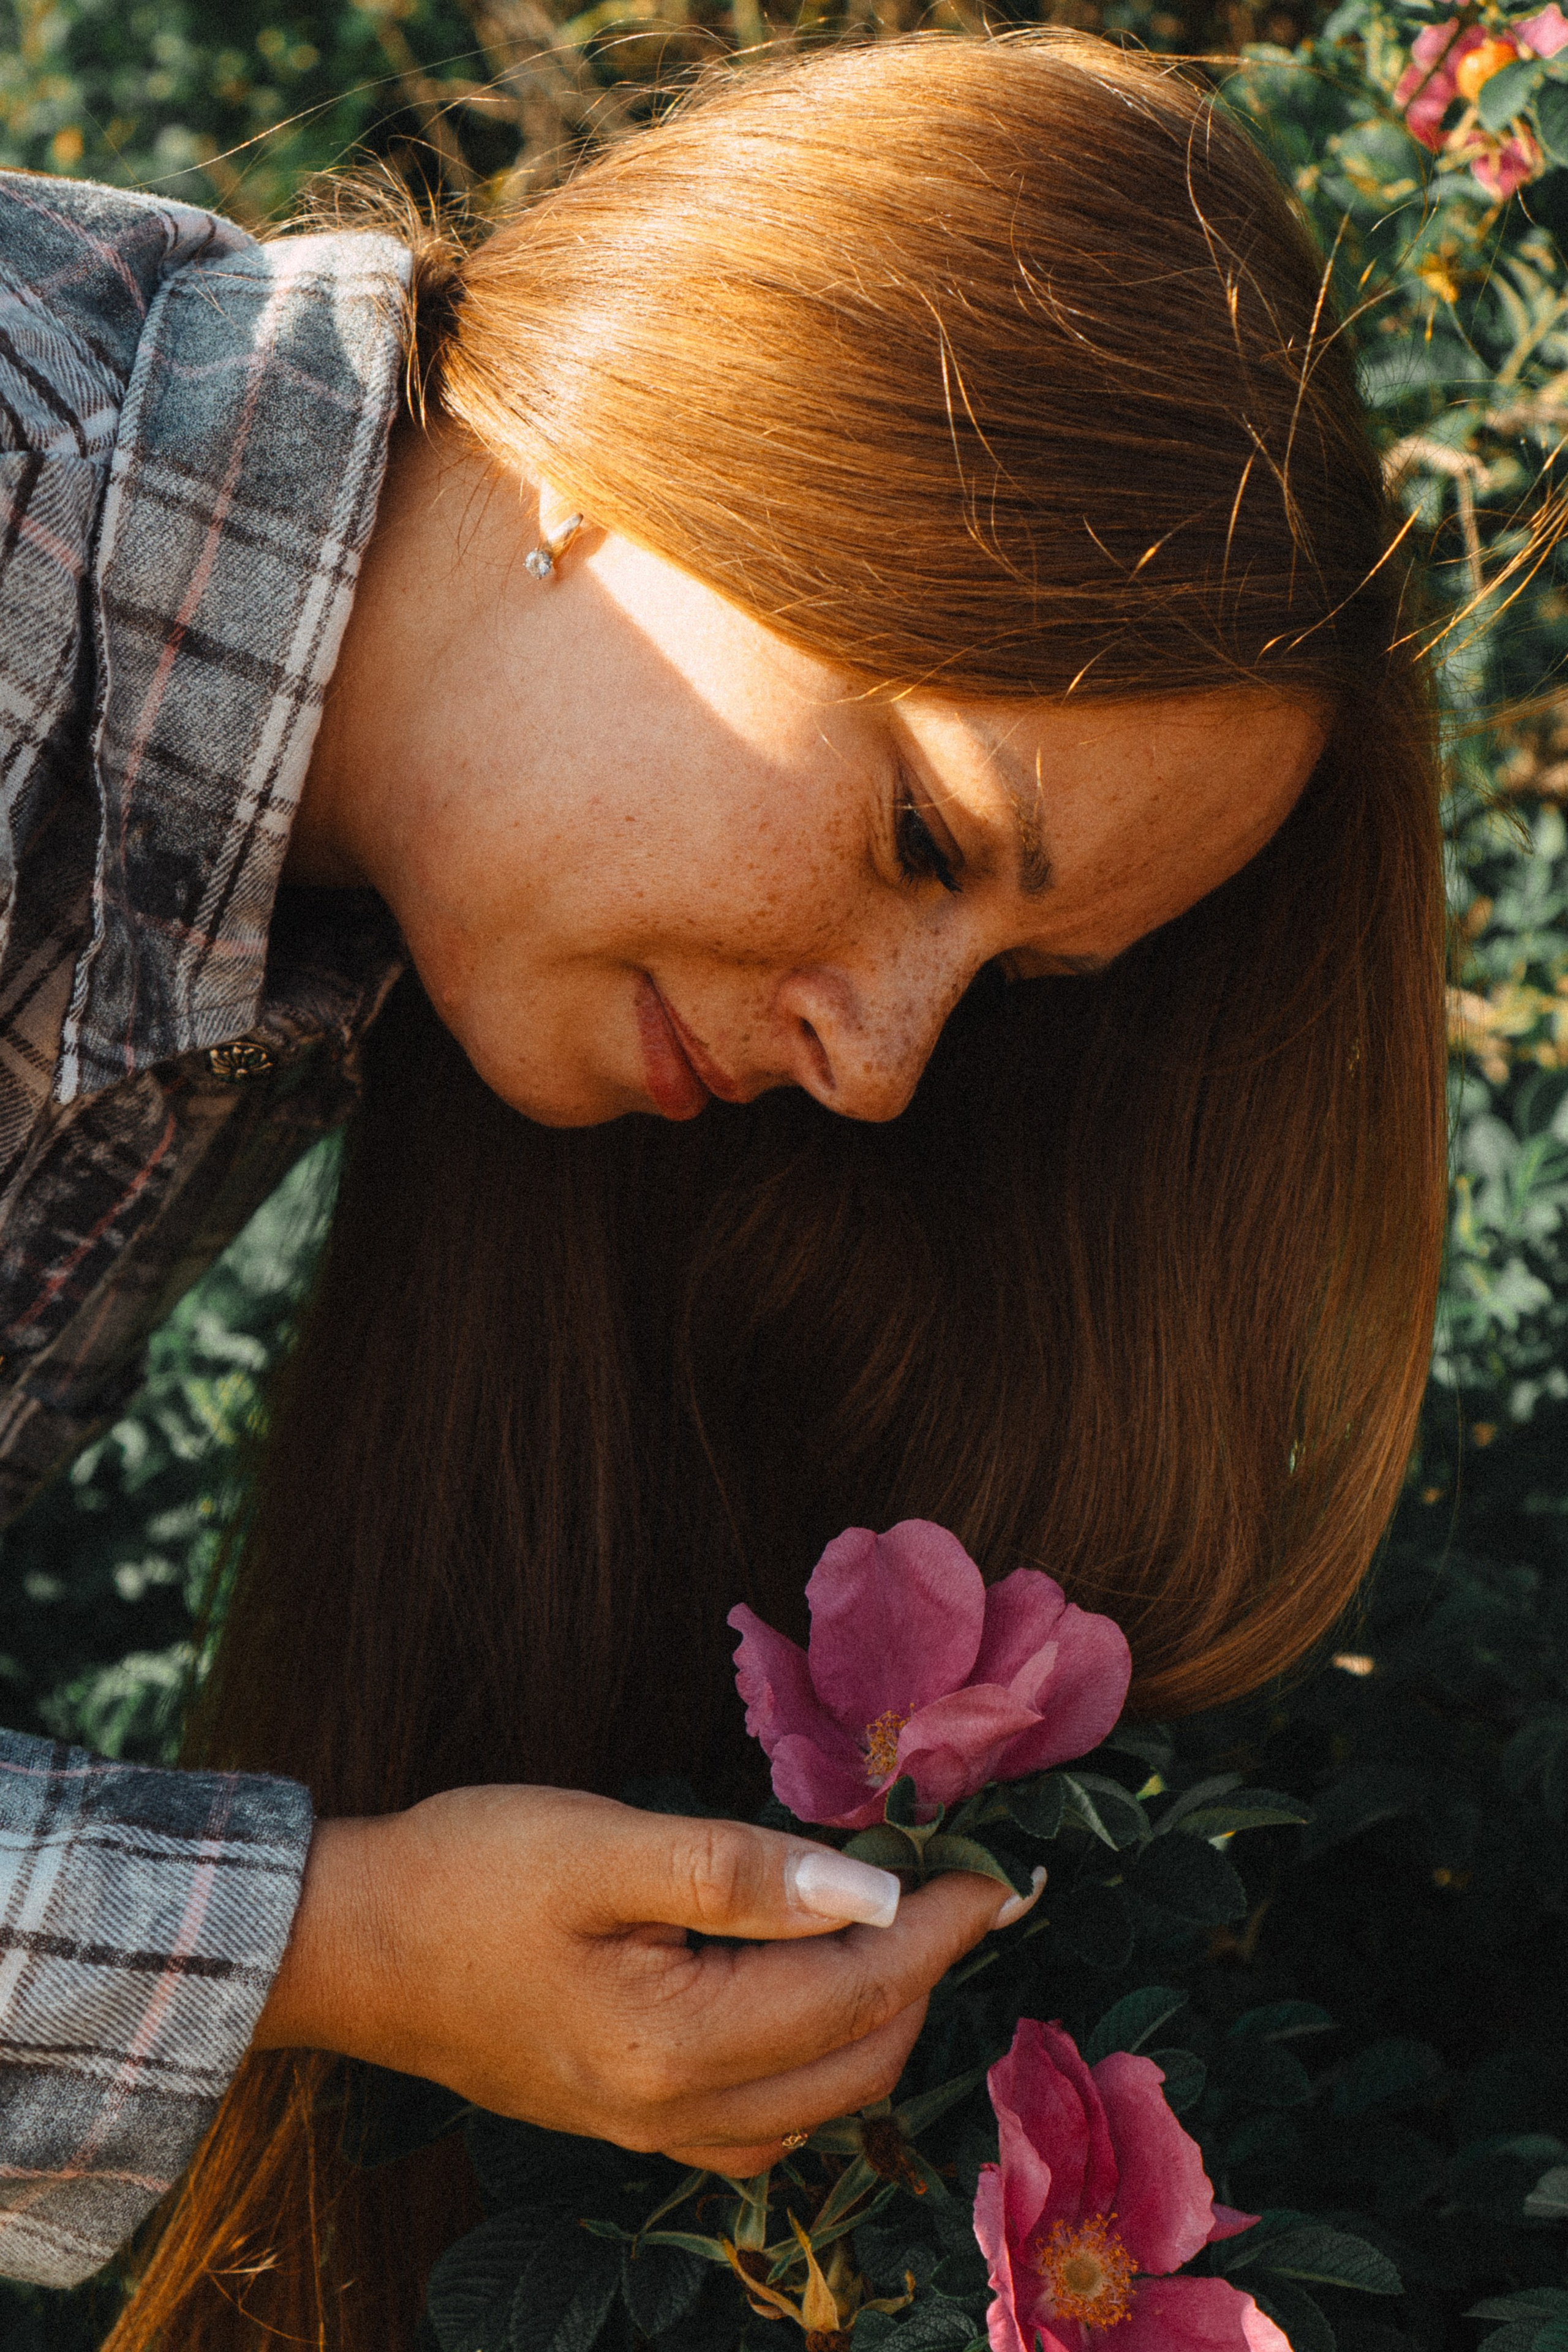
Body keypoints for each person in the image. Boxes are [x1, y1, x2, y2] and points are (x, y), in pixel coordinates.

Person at [0, 23, 1447, 2348]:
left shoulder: (305, 929)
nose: (875, 1073)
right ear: (672, 427)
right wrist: (328, 1939)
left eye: (1002, 981)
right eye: (921, 839)